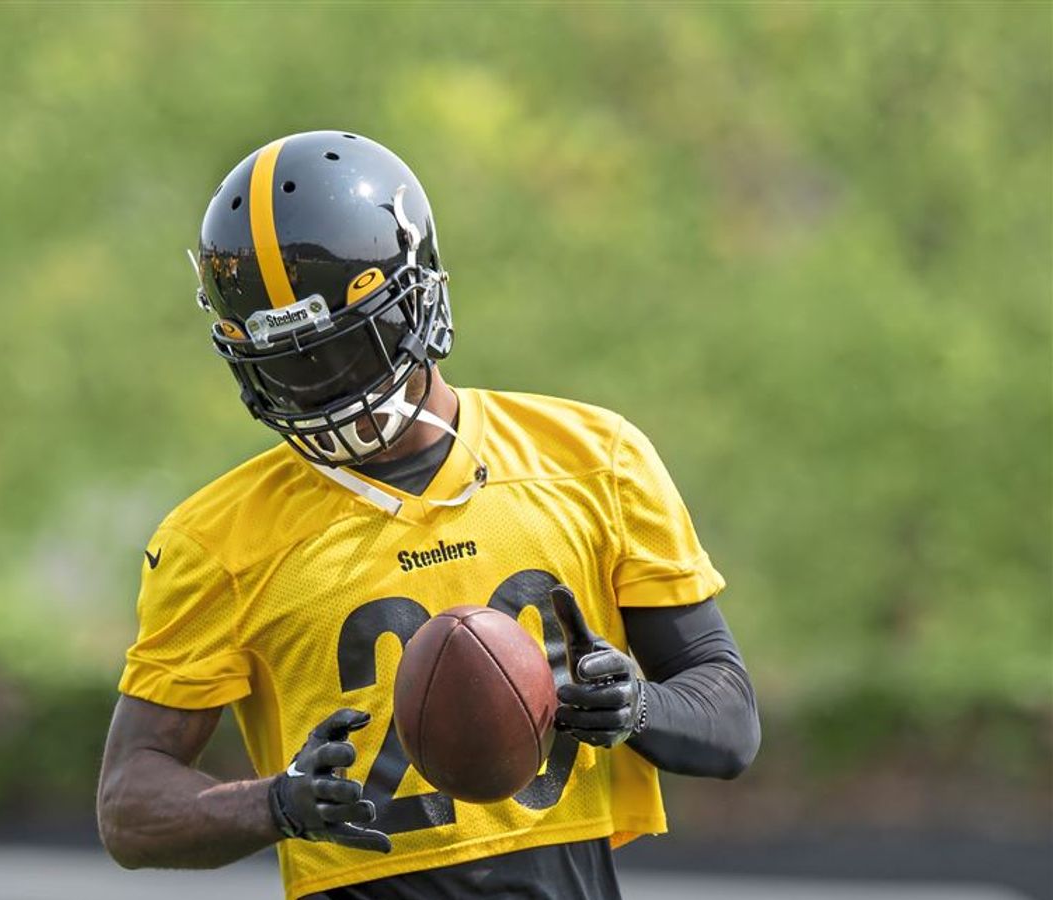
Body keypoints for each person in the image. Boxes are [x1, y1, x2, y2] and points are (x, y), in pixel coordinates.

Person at [96, 130, 761, 899]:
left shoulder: (592, 458)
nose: (325, 390)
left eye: (349, 346)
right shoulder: (215, 540)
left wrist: (638, 706)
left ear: (419, 292)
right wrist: (276, 802)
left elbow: (730, 717)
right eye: (290, 363)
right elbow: (128, 807)